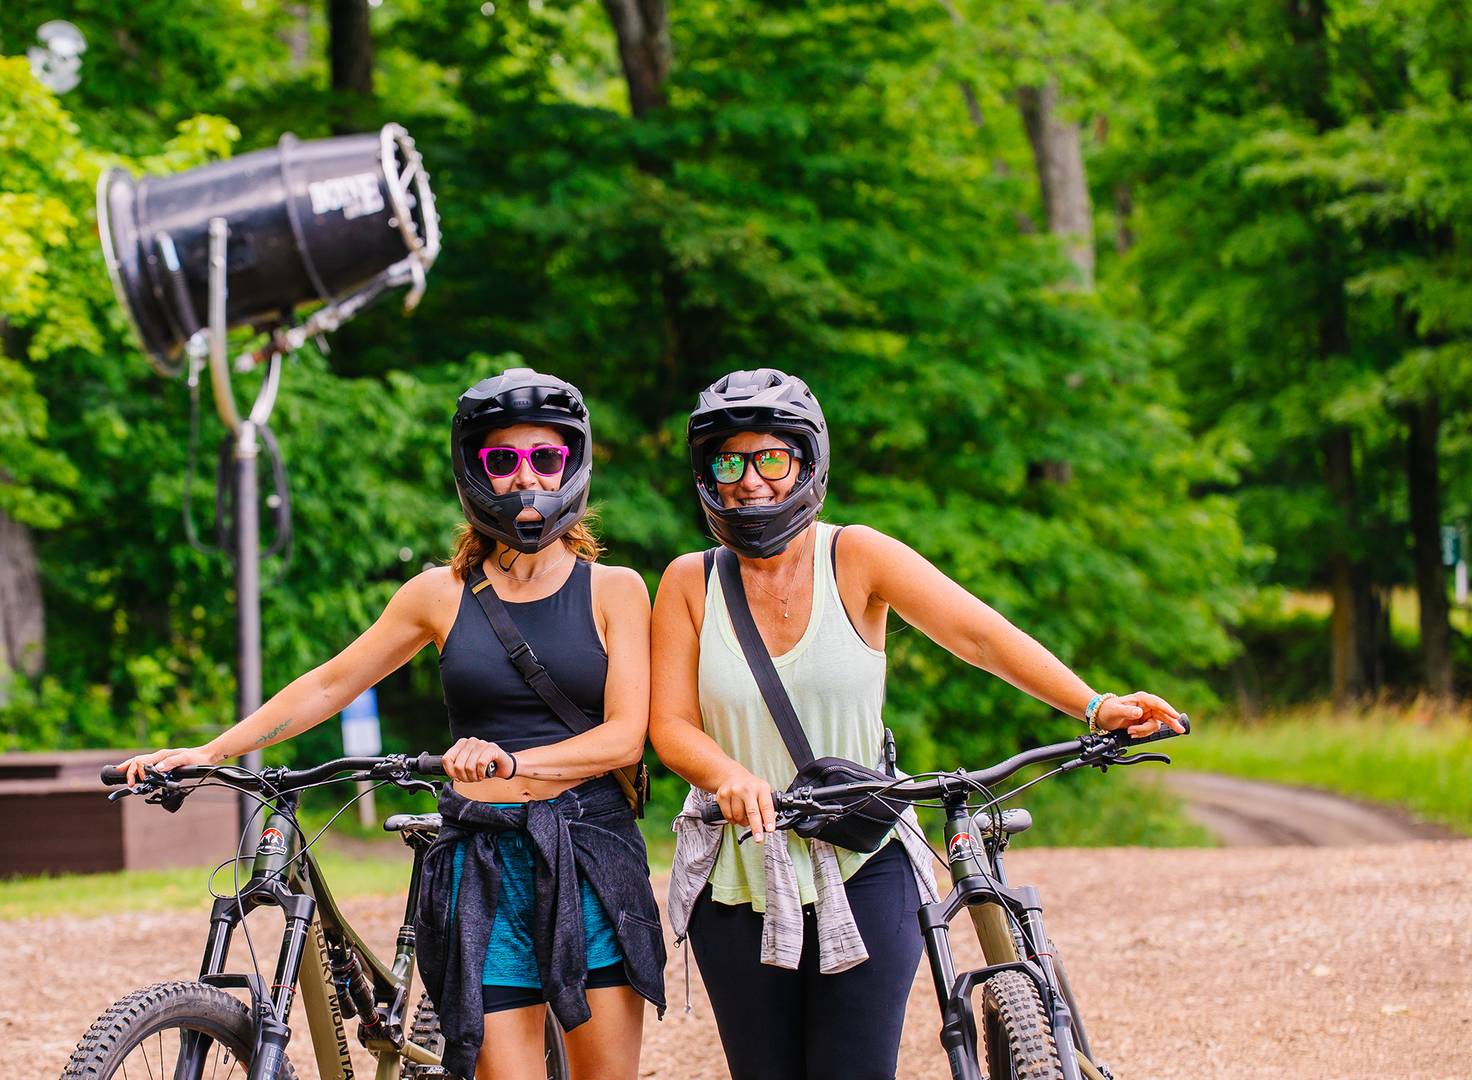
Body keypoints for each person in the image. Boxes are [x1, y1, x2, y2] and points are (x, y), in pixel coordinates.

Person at [120, 368, 665, 1080]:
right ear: (475, 471)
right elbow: (329, 684)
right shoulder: (436, 595)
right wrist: (209, 751)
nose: (524, 475)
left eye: (545, 456)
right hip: (482, 869)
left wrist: (510, 763)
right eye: (502, 459)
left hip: (590, 860)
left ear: (573, 464)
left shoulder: (616, 590)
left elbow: (626, 737)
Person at [648, 368, 1185, 1080]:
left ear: (807, 462)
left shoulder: (857, 557)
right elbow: (671, 724)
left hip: (865, 861)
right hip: (742, 877)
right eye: (730, 460)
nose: (751, 479)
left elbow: (981, 637)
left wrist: (1094, 705)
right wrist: (729, 776)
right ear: (708, 473)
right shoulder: (691, 581)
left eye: (771, 457)